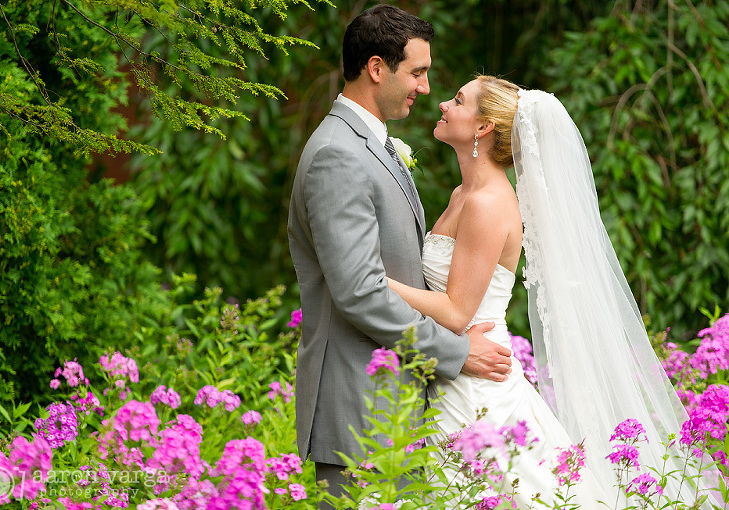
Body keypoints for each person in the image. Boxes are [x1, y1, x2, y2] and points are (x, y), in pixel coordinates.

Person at [386, 75, 713, 507]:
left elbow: (455, 311)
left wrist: (376, 283)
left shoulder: (487, 204)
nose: (444, 104)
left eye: (459, 100)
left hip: (478, 383)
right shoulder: (463, 193)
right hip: (461, 366)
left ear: (483, 127)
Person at [287, 6, 513, 509]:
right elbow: (361, 293)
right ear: (375, 68)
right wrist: (457, 353)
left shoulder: (371, 145)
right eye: (417, 72)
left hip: (396, 402)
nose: (427, 88)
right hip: (360, 409)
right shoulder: (337, 155)